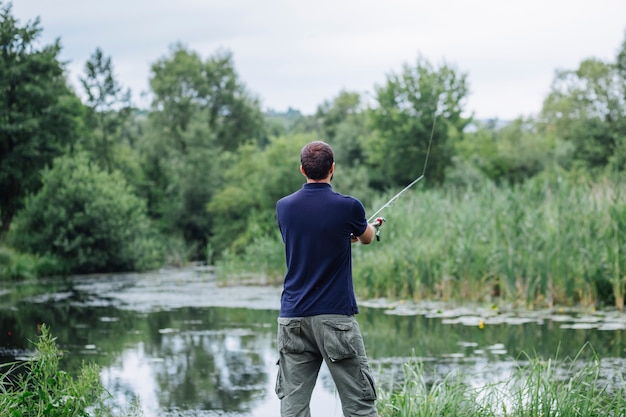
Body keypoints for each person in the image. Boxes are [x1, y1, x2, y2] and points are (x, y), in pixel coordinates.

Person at [274, 141, 383, 417]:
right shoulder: (349, 207)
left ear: (302, 170)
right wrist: (368, 227)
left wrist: (345, 236)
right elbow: (367, 238)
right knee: (359, 405)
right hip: (335, 319)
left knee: (293, 408)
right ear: (332, 169)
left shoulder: (283, 207)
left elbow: (308, 238)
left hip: (292, 319)